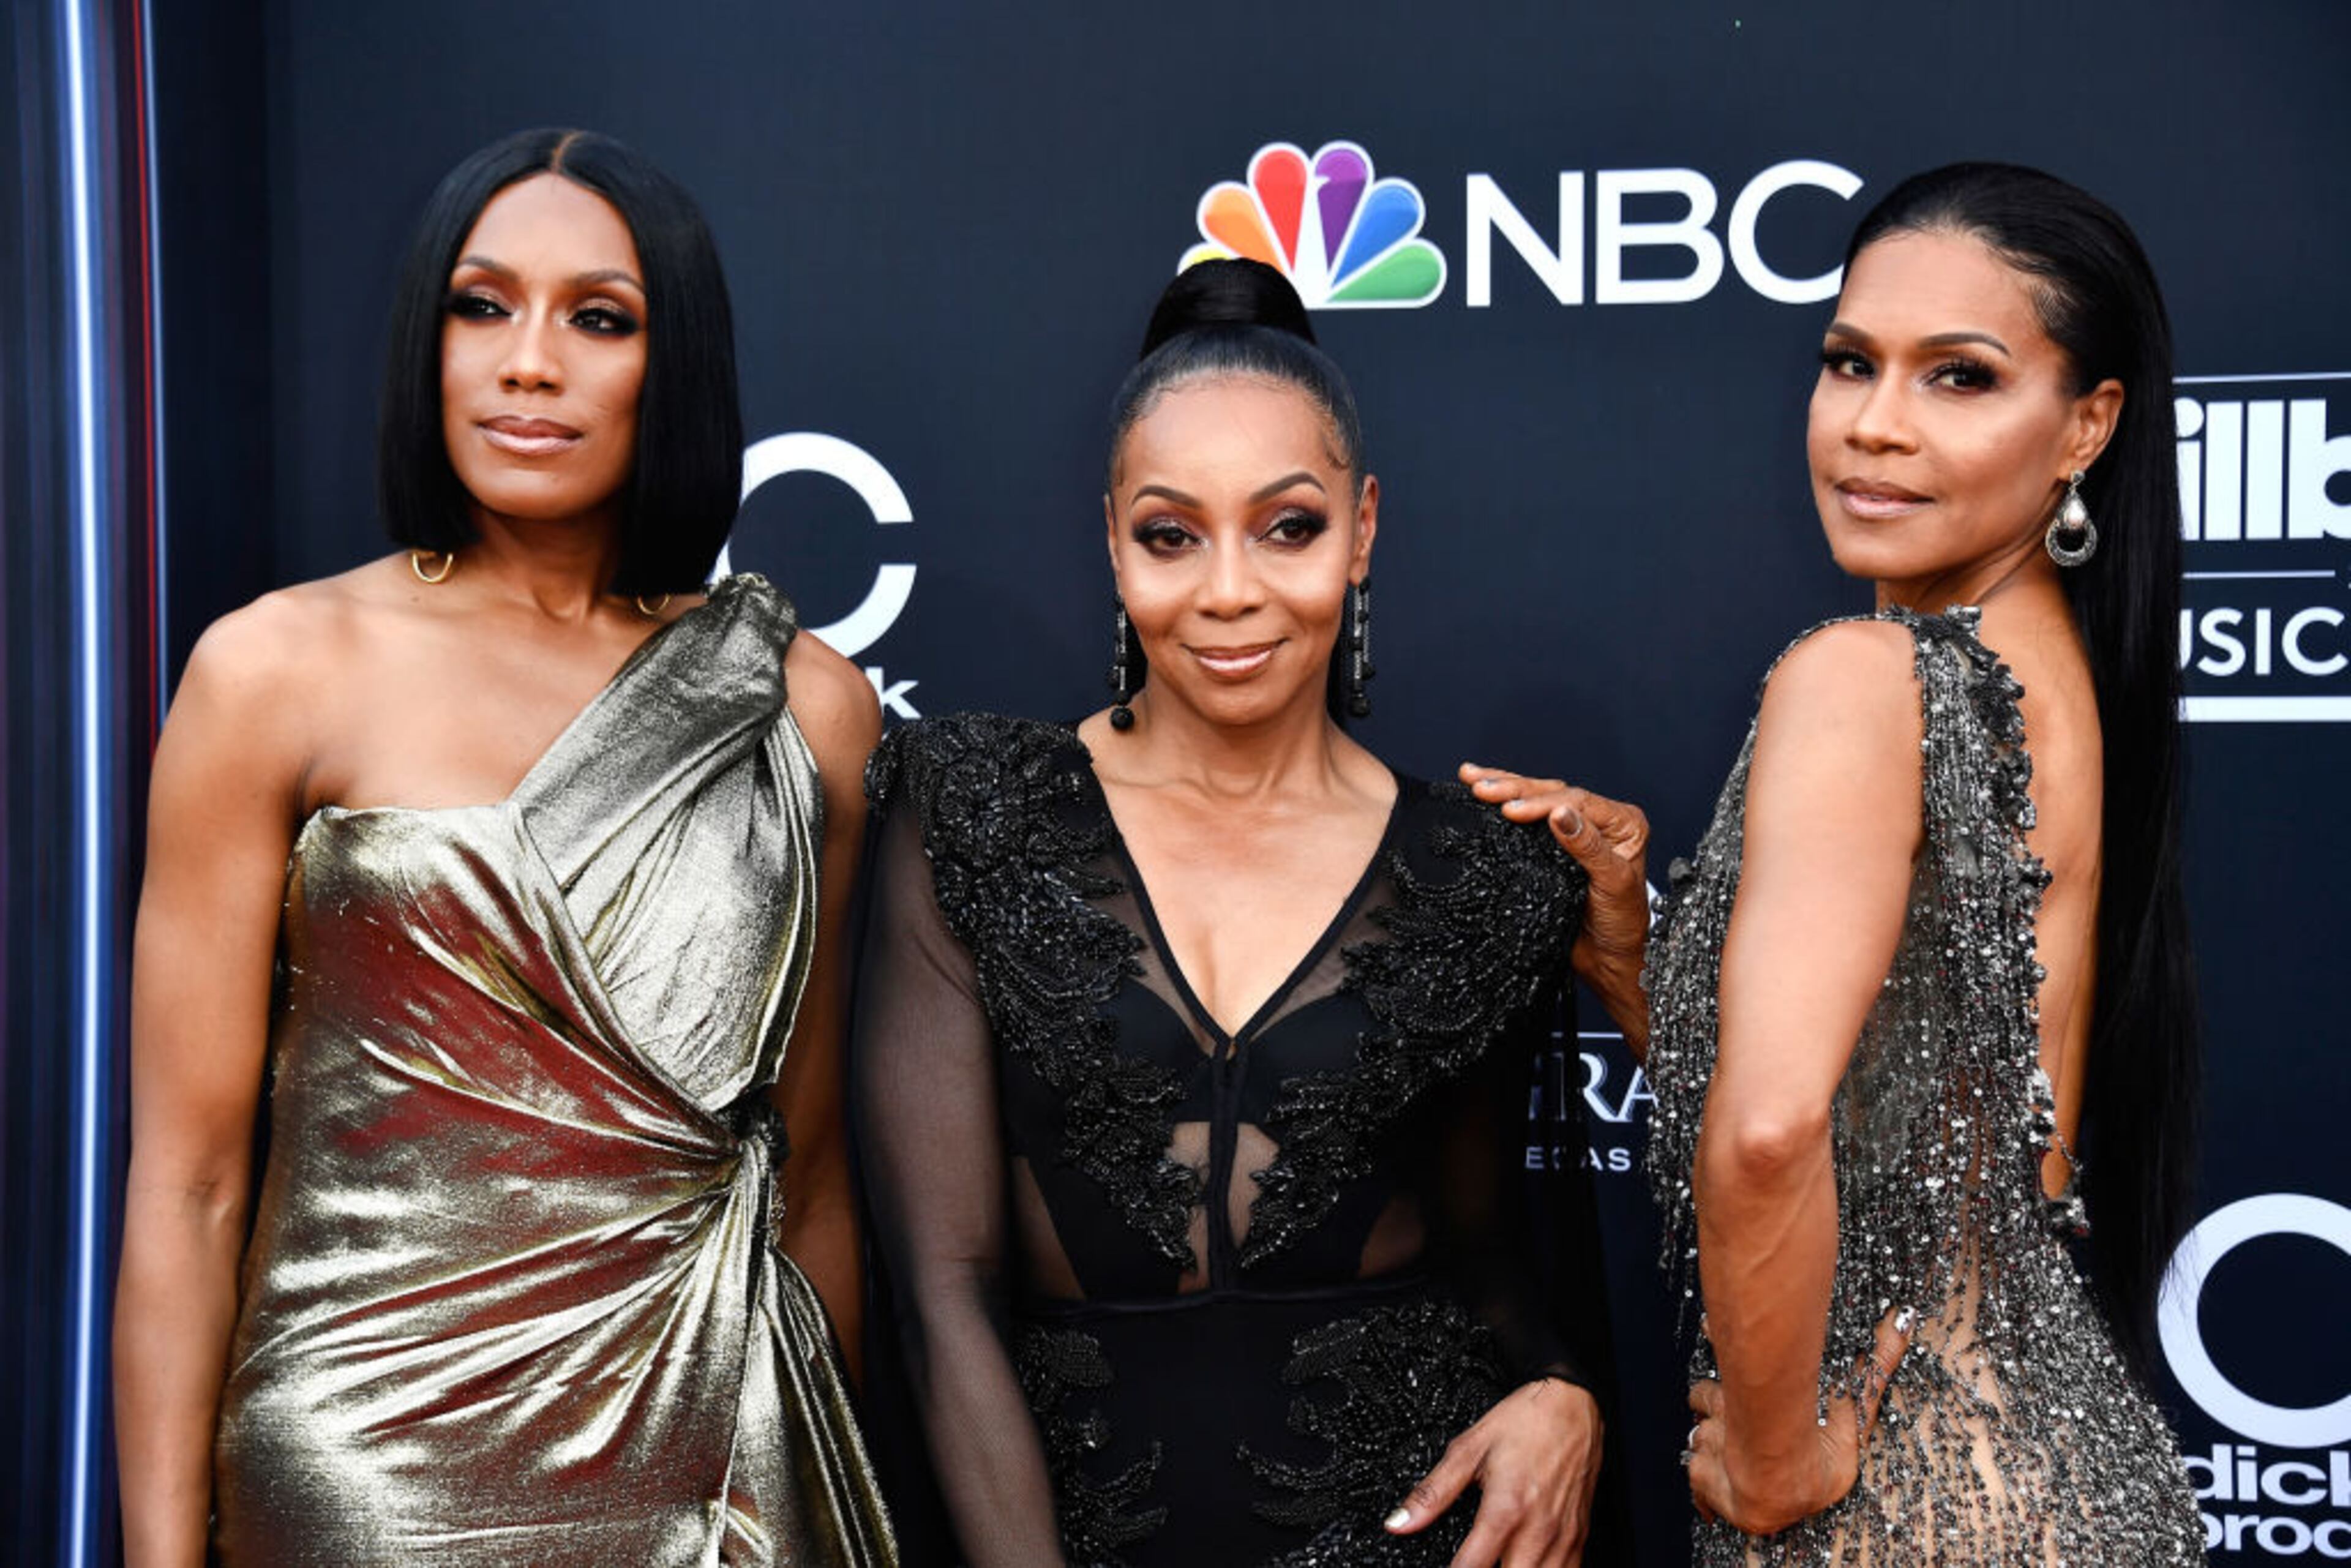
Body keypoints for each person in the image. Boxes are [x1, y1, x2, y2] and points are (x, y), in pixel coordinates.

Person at [114, 128, 896, 1566]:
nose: (527, 362)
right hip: (366, 1477)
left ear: (678, 366)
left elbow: (813, 1171)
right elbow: (189, 1182)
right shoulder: (275, 670)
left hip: (716, 1463)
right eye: (483, 306)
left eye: (598, 318)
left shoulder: (804, 705)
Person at [1476, 162, 2207, 1563]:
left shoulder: (1865, 680)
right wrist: (1637, 956)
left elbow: (1770, 1137)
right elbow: (1912, 1132)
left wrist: (1770, 1459)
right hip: (2065, 1476)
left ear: (2087, 426)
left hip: (1904, 1504)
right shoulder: (2057, 683)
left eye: (1961, 378)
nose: (1875, 427)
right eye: (1849, 362)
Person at [853, 258, 1610, 1567]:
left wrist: (1562, 1391)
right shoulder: (969, 808)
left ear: (1364, 529)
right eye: (1170, 534)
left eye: (1288, 527)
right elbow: (942, 1293)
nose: (1227, 592)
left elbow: (1494, 1259)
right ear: (1110, 538)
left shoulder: (1477, 867)